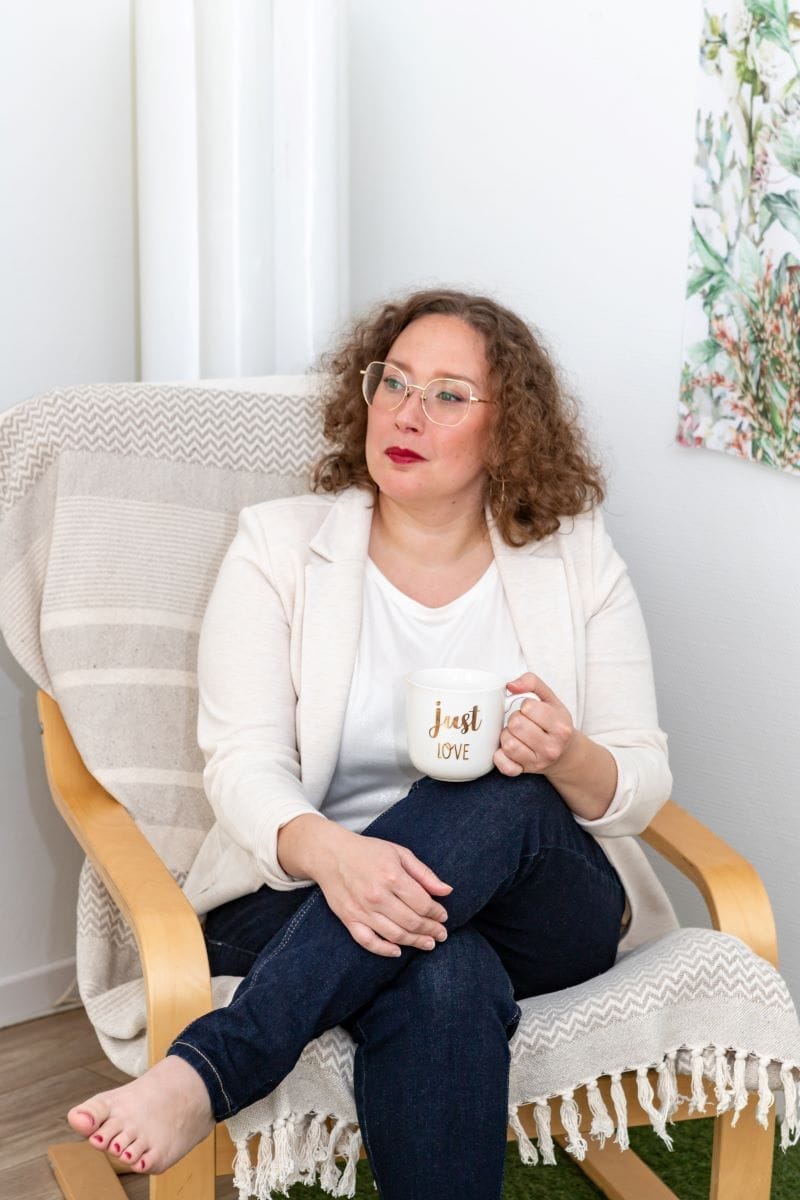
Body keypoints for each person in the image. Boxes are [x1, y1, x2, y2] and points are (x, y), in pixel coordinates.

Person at [67, 288, 674, 1199]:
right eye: (393, 382)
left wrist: (565, 757)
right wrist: (339, 856)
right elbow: (242, 763)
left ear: (509, 431)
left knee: (499, 786)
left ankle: (211, 1070)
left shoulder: (575, 555)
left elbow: (643, 777)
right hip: (304, 889)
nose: (405, 411)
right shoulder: (278, 546)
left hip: (536, 905)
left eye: (447, 394)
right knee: (445, 975)